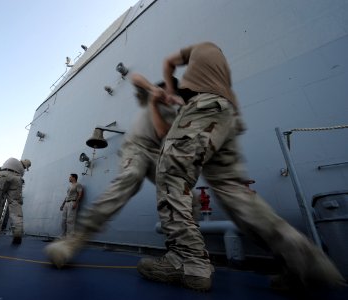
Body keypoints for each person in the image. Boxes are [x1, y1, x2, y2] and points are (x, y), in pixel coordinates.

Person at [135, 42, 345, 292]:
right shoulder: (217, 74)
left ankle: (187, 261)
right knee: (234, 193)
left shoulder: (202, 48)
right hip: (227, 119)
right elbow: (164, 131)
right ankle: (305, 262)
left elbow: (168, 63)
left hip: (203, 111)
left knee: (172, 175)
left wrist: (169, 87)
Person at [45, 73, 179, 268]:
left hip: (157, 155)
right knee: (131, 177)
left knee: (181, 194)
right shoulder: (149, 96)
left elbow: (163, 134)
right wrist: (154, 91)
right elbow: (135, 79)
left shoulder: (173, 112)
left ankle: (180, 251)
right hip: (136, 148)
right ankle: (72, 242)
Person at [0, 158, 31, 244]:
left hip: (2, 175)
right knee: (15, 205)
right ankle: (17, 232)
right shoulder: (22, 171)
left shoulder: (11, 160)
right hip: (17, 179)